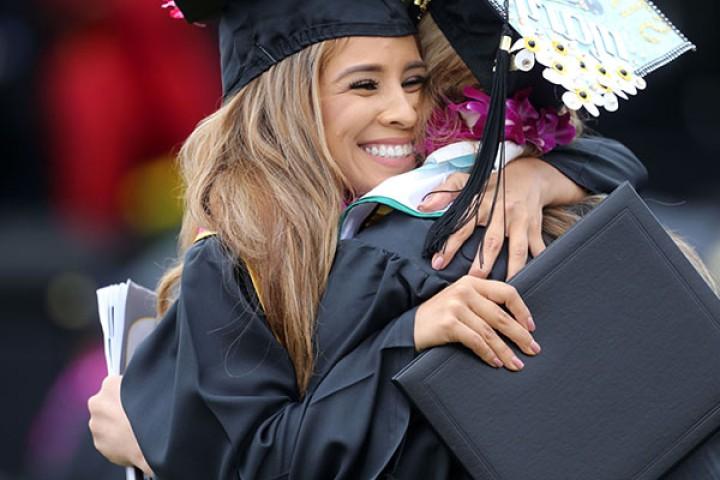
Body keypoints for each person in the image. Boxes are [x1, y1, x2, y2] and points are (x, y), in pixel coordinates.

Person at [88, 0, 650, 478]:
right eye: (364, 85)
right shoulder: (240, 260)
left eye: (414, 82)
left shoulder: (425, 219)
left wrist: (542, 173)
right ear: (290, 102)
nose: (404, 111)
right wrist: (410, 336)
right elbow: (259, 457)